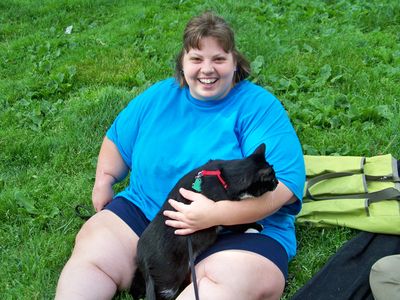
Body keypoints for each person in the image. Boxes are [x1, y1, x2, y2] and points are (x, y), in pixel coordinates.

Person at [55, 11, 305, 300]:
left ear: (235, 62)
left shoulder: (259, 108)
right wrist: (105, 180)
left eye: (219, 59)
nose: (207, 69)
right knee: (94, 247)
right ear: (182, 62)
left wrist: (215, 214)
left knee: (227, 283)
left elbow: (285, 186)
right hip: (153, 219)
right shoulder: (159, 96)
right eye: (197, 59)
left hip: (237, 233)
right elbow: (117, 139)